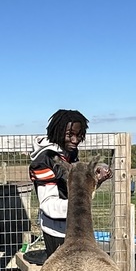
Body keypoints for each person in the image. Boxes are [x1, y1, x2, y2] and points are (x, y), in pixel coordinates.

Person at [29, 109, 90, 258]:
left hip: (73, 225)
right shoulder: (44, 160)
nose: (75, 140)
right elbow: (48, 204)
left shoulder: (70, 153)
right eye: (70, 135)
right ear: (58, 131)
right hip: (56, 230)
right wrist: (79, 206)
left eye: (79, 135)